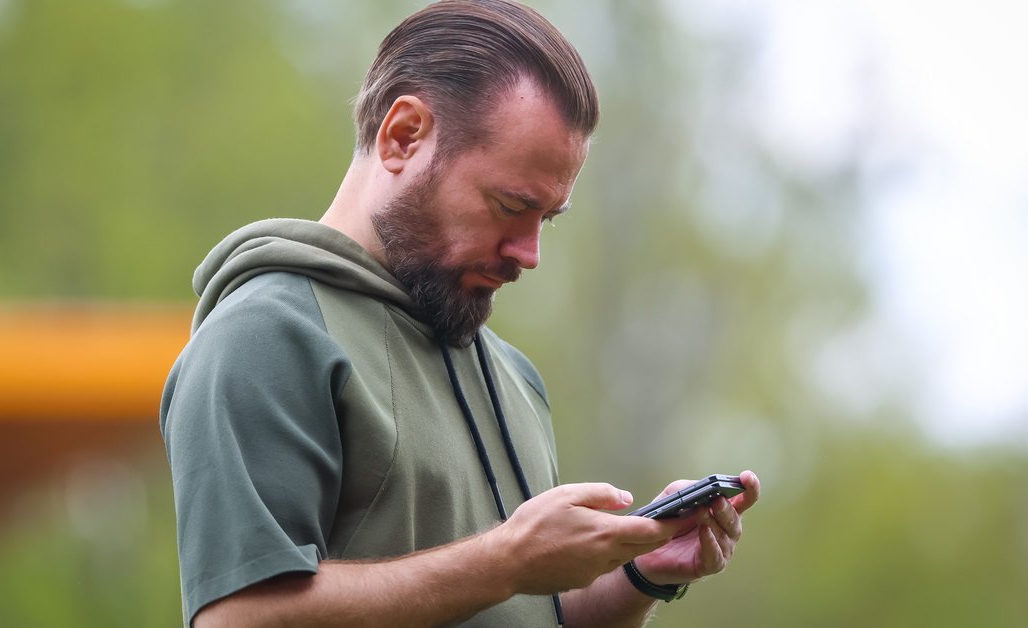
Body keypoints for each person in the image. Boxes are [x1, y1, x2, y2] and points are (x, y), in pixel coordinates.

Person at [160, 1, 761, 626]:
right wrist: (505, 561)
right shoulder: (268, 337)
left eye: (546, 220)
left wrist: (637, 575)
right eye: (508, 206)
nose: (529, 255)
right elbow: (238, 617)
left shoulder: (514, 379)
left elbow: (517, 611)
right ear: (403, 137)